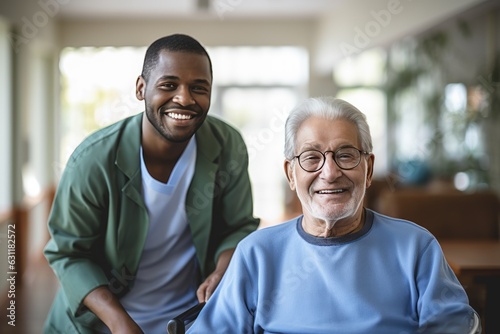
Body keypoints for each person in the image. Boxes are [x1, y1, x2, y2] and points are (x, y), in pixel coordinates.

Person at [187, 96, 479, 334]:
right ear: (291, 173)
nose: (329, 173)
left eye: (346, 154)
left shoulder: (415, 246)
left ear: (368, 169)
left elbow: (454, 326)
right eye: (312, 157)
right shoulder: (256, 253)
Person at [43, 33, 259, 334]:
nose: (185, 98)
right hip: (100, 324)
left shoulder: (228, 145)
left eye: (199, 88)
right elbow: (68, 253)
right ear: (141, 89)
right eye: (169, 85)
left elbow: (237, 227)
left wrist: (223, 270)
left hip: (187, 320)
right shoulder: (93, 160)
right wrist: (120, 323)